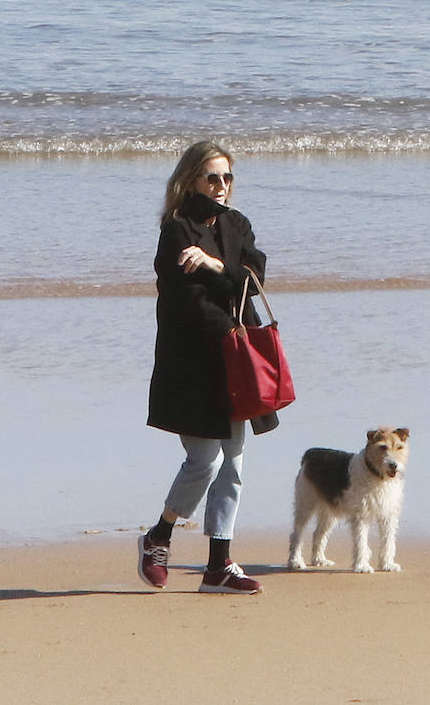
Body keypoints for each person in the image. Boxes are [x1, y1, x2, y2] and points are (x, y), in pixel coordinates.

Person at [138, 141, 279, 594]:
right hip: (193, 363)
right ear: (191, 179)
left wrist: (216, 264)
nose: (221, 187)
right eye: (212, 178)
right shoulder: (176, 229)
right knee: (206, 458)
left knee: (233, 462)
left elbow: (253, 279)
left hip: (235, 358)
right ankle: (159, 535)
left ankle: (219, 565)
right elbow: (187, 300)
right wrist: (228, 321)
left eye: (228, 178)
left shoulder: (238, 224)